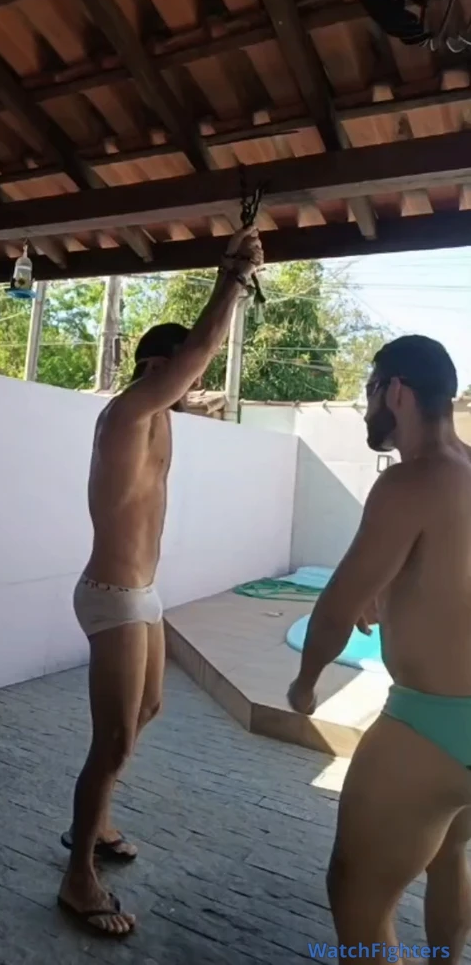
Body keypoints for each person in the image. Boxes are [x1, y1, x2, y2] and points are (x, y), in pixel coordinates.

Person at [58, 227, 264, 937]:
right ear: (159, 367)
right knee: (113, 739)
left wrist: (195, 397)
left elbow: (194, 375)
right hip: (111, 597)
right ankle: (77, 876)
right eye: (182, 377)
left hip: (143, 595)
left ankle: (98, 820)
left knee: (146, 711)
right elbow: (199, 351)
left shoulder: (160, 419)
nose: (191, 388)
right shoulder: (127, 413)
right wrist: (232, 279)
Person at [287, 335, 471, 965]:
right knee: (449, 851)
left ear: (396, 392)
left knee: (356, 895)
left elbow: (336, 607)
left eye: (368, 390)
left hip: (431, 725)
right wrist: (393, 595)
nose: (366, 406)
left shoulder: (410, 480)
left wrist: (306, 682)